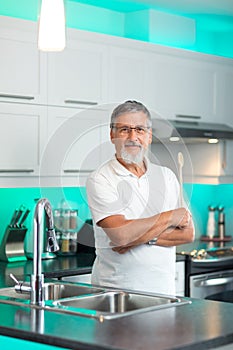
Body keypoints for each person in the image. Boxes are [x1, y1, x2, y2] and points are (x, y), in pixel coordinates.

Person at [86, 100, 195, 295]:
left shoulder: (167, 176)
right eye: (124, 129)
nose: (132, 137)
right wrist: (170, 217)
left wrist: (135, 238)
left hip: (163, 292)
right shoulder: (101, 178)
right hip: (115, 293)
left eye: (139, 130)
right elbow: (120, 235)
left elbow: (187, 234)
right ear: (112, 135)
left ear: (149, 136)